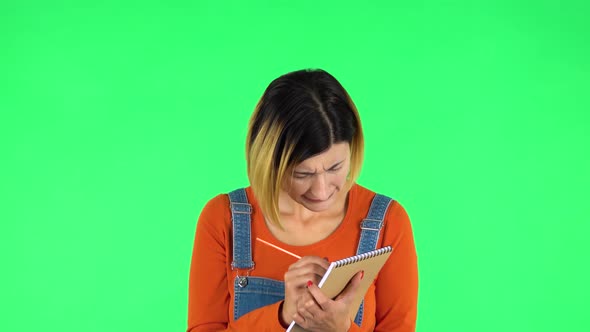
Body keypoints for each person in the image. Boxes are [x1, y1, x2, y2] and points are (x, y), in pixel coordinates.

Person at [187, 69, 418, 331]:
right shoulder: (224, 219)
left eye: (335, 168)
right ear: (269, 161)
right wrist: (283, 316)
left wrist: (340, 328)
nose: (321, 191)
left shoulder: (387, 222)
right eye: (302, 174)